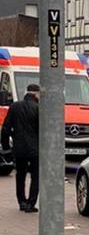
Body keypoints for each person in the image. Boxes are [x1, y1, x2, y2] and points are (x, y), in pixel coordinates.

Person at [1, 84, 40, 212]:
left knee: (20, 175)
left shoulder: (14, 106)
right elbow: (42, 131)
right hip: (35, 149)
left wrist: (6, 147)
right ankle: (31, 203)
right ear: (36, 94)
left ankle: (22, 202)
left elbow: (5, 129)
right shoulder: (38, 108)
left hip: (19, 148)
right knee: (35, 176)